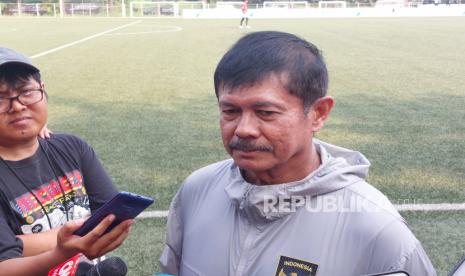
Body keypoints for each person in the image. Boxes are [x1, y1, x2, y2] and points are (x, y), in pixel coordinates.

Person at [159, 31, 437, 275]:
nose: (243, 129)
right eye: (230, 111)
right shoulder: (196, 189)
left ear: (318, 113)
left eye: (265, 112)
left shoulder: (375, 227)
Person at [0, 47, 133, 275]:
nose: (18, 105)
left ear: (43, 90)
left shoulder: (71, 147)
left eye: (27, 91)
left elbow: (115, 217)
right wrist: (62, 249)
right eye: (0, 98)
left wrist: (21, 244)